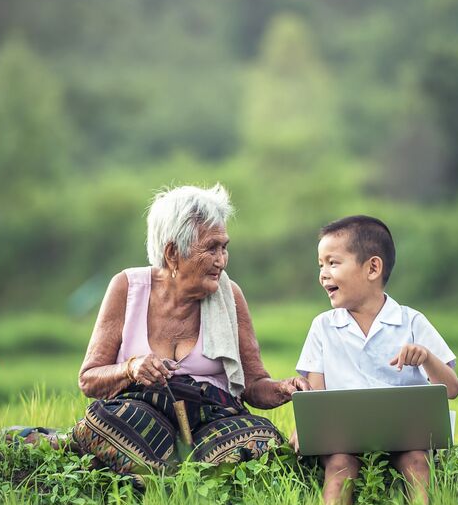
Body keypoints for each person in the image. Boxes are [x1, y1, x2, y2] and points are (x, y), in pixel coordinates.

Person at [74, 184, 309, 480]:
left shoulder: (230, 296)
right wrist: (130, 369)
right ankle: (185, 475)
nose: (222, 260)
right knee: (105, 420)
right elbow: (89, 379)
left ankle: (161, 474)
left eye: (224, 248)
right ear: (172, 252)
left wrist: (282, 389)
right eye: (211, 248)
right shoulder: (127, 288)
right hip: (144, 417)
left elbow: (253, 385)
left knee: (261, 439)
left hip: (211, 418)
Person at [294, 215, 458, 505]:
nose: (323, 274)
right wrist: (305, 426)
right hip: (343, 438)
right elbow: (315, 395)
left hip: (407, 435)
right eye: (320, 265)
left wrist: (426, 358)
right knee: (339, 465)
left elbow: (452, 388)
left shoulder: (411, 322)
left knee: (416, 462)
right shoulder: (323, 327)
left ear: (372, 268)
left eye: (333, 263)